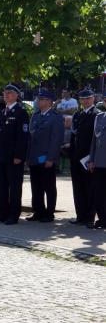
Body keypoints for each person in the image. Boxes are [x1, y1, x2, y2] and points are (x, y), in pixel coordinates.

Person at [0, 84, 29, 225]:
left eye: (10, 93)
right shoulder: (0, 112)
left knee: (14, 187)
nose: (6, 95)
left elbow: (23, 137)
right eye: (5, 92)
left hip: (14, 157)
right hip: (1, 156)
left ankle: (13, 214)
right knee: (1, 186)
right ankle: (2, 212)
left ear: (17, 95)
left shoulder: (21, 113)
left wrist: (19, 156)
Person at [26, 89, 64, 223]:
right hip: (35, 157)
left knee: (48, 186)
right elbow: (30, 138)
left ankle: (49, 213)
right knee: (36, 187)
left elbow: (56, 140)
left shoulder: (55, 117)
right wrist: (28, 157)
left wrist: (50, 158)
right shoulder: (35, 116)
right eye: (38, 99)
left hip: (46, 157)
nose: (38, 101)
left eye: (41, 99)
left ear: (49, 102)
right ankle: (38, 211)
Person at [70, 88, 100, 227]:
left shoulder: (97, 115)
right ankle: (80, 215)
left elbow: (97, 139)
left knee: (90, 188)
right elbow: (74, 135)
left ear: (93, 99)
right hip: (76, 157)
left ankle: (89, 217)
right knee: (78, 188)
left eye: (88, 98)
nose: (85, 101)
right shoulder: (78, 114)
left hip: (88, 157)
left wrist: (93, 158)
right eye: (82, 99)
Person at [88, 110, 106, 229]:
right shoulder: (99, 117)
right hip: (100, 161)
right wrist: (92, 159)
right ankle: (103, 219)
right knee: (99, 193)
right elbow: (94, 140)